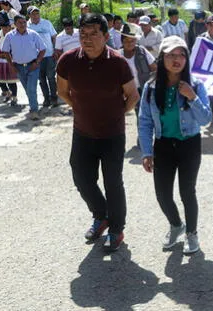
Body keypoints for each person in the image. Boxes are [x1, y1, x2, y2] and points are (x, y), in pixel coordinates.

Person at [56, 13, 140, 252]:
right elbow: (63, 91)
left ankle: (116, 229)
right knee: (81, 178)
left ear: (105, 36)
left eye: (94, 34)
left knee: (113, 182)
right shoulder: (68, 60)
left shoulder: (118, 62)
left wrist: (116, 114)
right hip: (82, 132)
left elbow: (133, 95)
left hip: (112, 135)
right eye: (83, 34)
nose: (87, 39)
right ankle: (100, 215)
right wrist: (81, 109)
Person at [138, 35, 212, 255]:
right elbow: (144, 121)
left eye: (181, 54)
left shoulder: (196, 85)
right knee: (162, 194)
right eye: (171, 55)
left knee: (187, 191)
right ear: (162, 58)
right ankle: (176, 224)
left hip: (189, 144)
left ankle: (192, 233)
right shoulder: (151, 88)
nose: (177, 59)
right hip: (163, 146)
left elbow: (206, 119)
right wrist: (146, 152)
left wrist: (192, 97)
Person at [1, 14, 45, 120]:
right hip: (19, 67)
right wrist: (11, 65)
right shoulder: (10, 36)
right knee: (27, 89)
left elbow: (43, 49)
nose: (23, 24)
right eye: (20, 22)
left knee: (31, 88)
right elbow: (5, 51)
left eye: (24, 22)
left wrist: (37, 62)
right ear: (15, 24)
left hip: (33, 66)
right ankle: (33, 105)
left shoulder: (33, 34)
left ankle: (34, 110)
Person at [27, 5, 58, 108]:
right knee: (41, 79)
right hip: (36, 58)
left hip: (49, 55)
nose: (36, 15)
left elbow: (54, 37)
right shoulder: (26, 26)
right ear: (29, 15)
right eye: (33, 13)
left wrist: (55, 50)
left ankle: (54, 98)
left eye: (37, 13)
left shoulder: (47, 23)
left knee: (51, 77)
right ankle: (46, 99)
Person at [0, 13, 18, 107]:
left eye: (7, 26)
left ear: (10, 26)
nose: (5, 28)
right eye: (3, 27)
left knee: (11, 81)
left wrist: (8, 55)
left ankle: (14, 97)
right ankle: (6, 92)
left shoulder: (14, 34)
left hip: (9, 60)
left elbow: (17, 48)